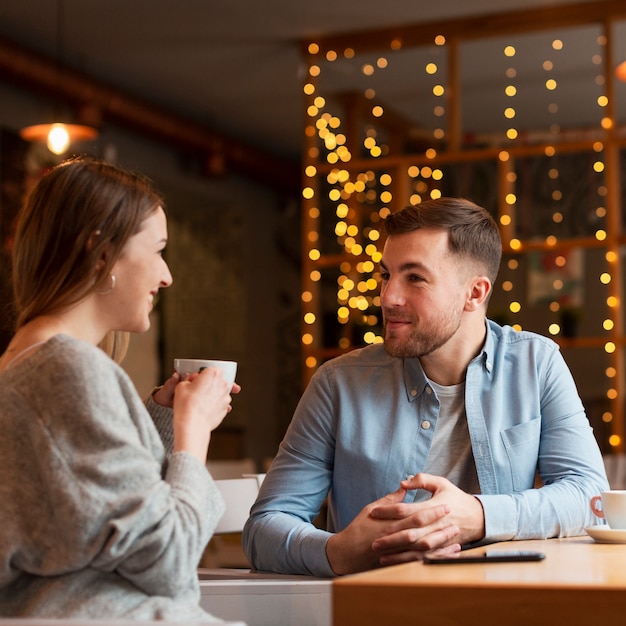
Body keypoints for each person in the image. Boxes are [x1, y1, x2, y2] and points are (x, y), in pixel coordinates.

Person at [243, 196, 609, 577]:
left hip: (504, 602)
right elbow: (264, 528)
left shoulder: (537, 363)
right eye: (386, 275)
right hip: (377, 608)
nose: (388, 296)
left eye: (414, 277)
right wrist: (336, 551)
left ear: (475, 293)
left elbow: (590, 496)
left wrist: (479, 515)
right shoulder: (338, 383)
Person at [0, 156, 240, 620]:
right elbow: (168, 560)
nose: (166, 275)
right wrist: (195, 432)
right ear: (102, 251)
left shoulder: (23, 365)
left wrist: (163, 419)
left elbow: (83, 507)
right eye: (157, 250)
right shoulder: (69, 369)